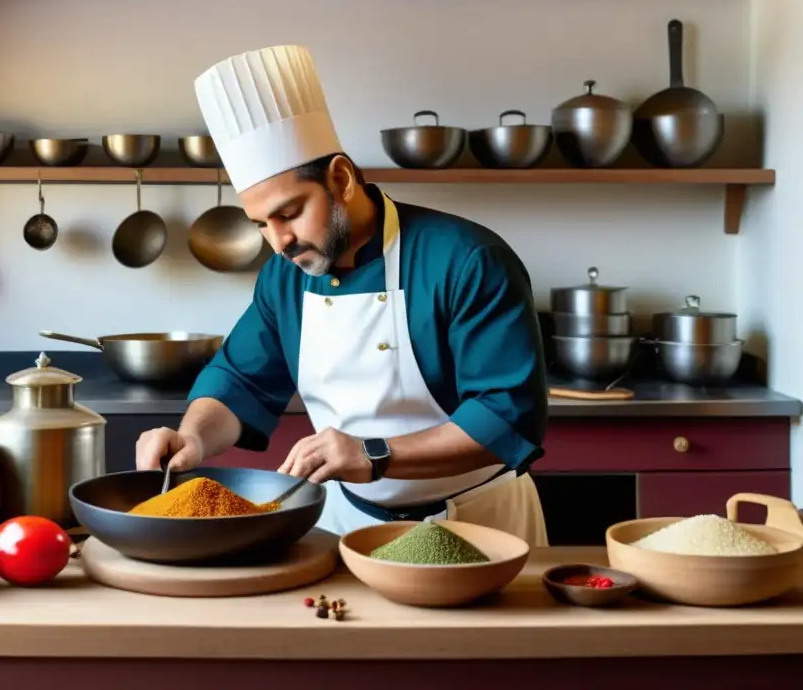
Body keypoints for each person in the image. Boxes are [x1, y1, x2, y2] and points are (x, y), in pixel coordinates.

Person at [136, 45, 549, 545]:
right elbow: (240, 379)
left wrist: (374, 454)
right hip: (344, 525)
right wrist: (193, 437)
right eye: (260, 224)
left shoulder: (466, 260)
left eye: (289, 213)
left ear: (340, 178)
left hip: (479, 523)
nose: (279, 241)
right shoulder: (284, 277)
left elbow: (506, 415)